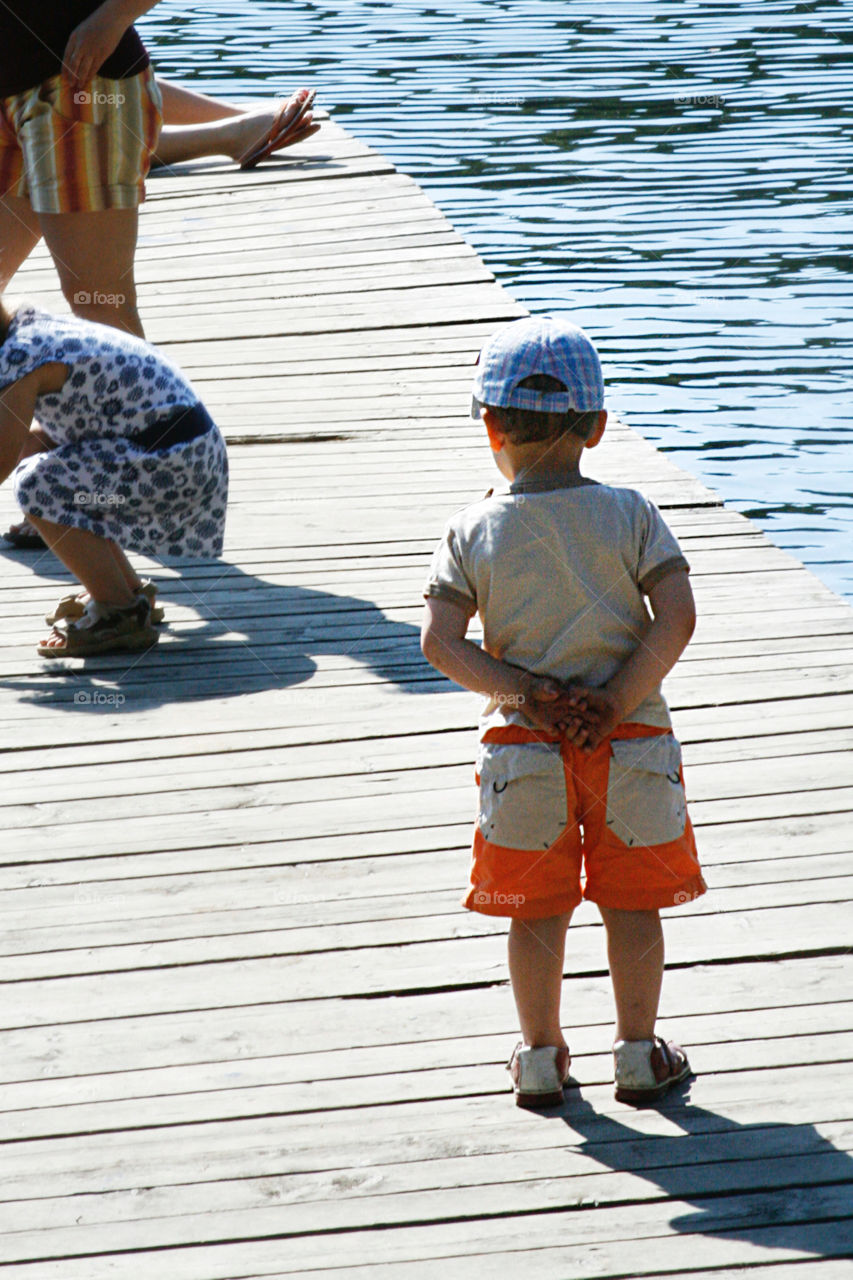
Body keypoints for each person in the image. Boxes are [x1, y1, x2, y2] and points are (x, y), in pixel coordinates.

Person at [420, 315, 707, 1109]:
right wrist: (613, 700)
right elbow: (676, 617)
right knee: (630, 903)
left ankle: (541, 1058)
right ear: (598, 427)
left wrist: (527, 696)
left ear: (489, 427)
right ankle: (639, 1053)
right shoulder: (630, 513)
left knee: (536, 911)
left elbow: (441, 644)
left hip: (525, 750)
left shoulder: (472, 527)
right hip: (633, 740)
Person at [0, 0, 315, 546]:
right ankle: (69, 468)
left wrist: (114, 15)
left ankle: (114, 494)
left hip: (73, 86)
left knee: (100, 303)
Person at [0, 298, 228, 656]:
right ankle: (127, 592)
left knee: (37, 487)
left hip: (172, 463)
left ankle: (119, 613)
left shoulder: (17, 359)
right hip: (188, 449)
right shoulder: (28, 329)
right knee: (41, 456)